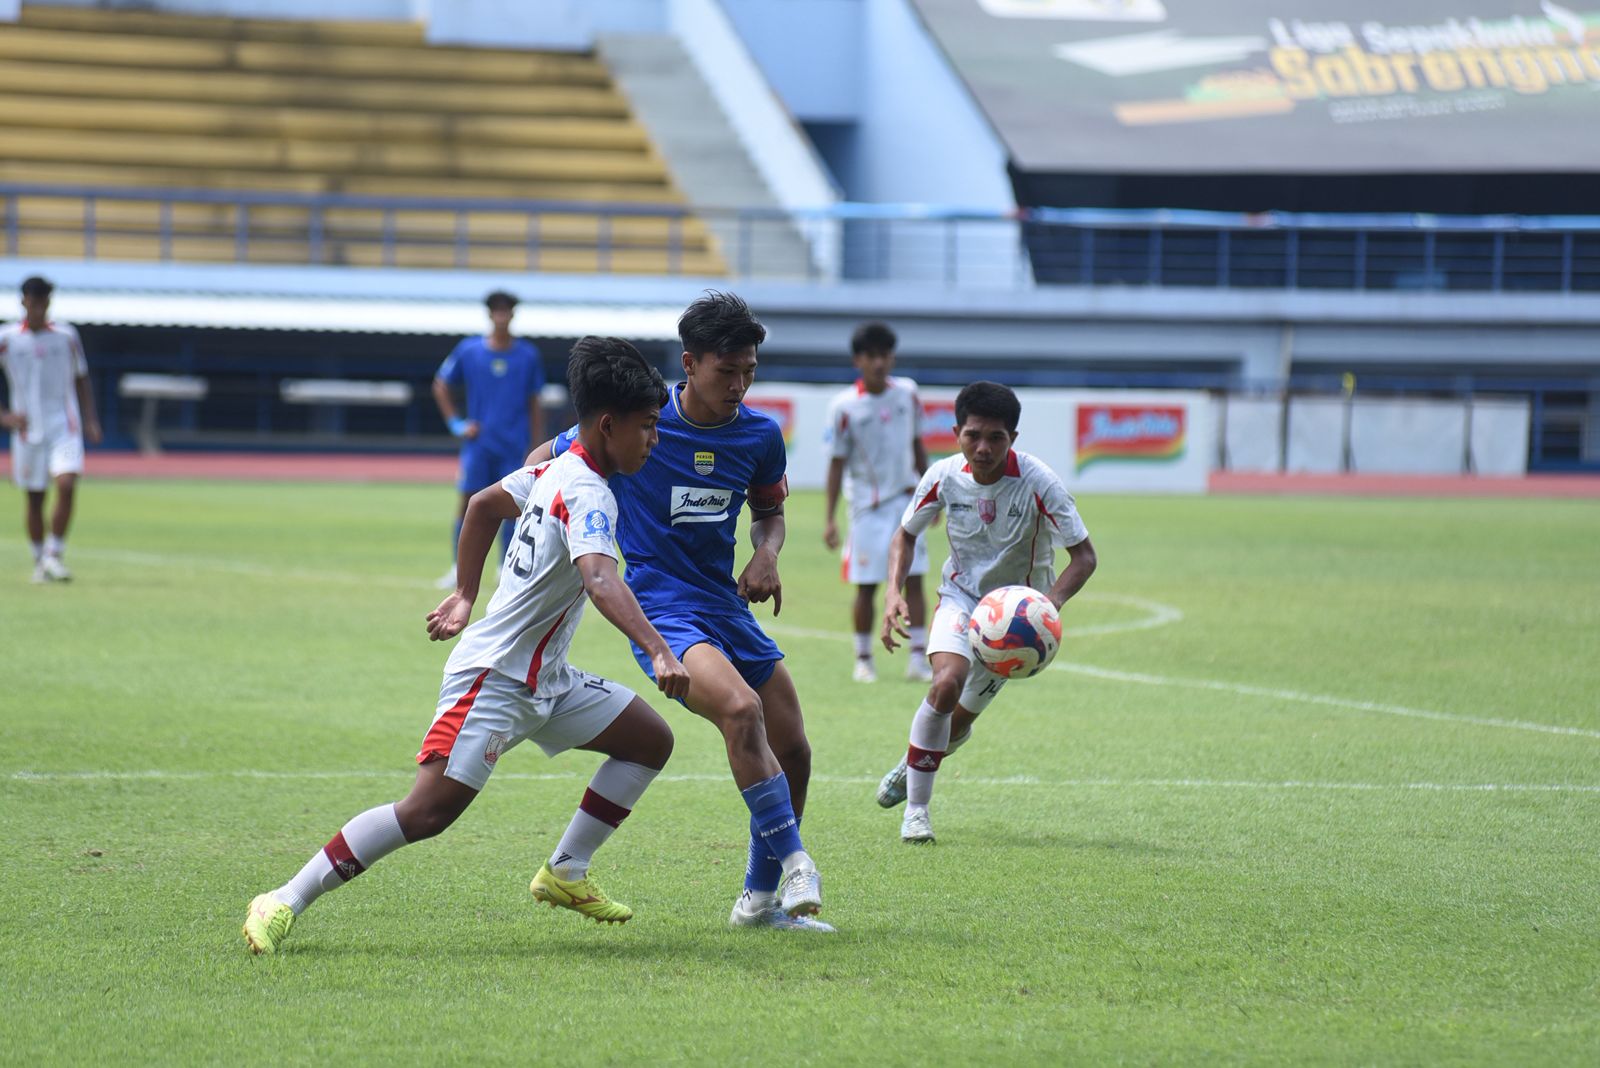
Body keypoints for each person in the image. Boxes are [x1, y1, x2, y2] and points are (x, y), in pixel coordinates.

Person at [243, 337, 690, 955]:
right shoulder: (589, 491)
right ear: (608, 425)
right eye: (647, 427)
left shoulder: (555, 467)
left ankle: (566, 871)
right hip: (495, 678)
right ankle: (282, 899)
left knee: (648, 741)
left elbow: (482, 506)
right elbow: (600, 578)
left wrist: (464, 594)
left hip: (546, 679)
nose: (655, 440)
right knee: (425, 812)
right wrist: (660, 651)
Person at [529, 291, 829, 932]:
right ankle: (798, 863)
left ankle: (758, 903)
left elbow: (770, 513)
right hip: (661, 606)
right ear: (690, 364)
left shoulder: (760, 435)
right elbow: (540, 465)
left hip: (724, 603)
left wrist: (766, 554)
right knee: (740, 711)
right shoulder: (640, 419)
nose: (740, 385)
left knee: (795, 748)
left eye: (750, 371)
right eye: (728, 371)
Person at [876, 381, 1098, 844]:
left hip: (1016, 622)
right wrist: (894, 593)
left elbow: (1084, 557)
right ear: (956, 433)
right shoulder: (942, 476)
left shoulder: (1039, 482)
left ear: (1012, 438)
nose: (983, 448)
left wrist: (1047, 607)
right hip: (960, 599)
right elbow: (905, 535)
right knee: (945, 684)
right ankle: (917, 812)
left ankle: (911, 763)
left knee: (956, 724)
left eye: (996, 438)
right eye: (973, 435)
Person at [823, 321, 932, 684]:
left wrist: (933, 496)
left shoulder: (908, 393)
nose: (879, 363)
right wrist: (830, 518)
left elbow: (917, 445)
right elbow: (836, 464)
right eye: (871, 356)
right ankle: (863, 659)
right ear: (858, 360)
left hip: (908, 503)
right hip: (867, 510)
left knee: (914, 579)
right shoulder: (844, 407)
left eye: (885, 355)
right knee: (867, 586)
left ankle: (918, 659)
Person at [432, 290, 545, 588]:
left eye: (506, 309)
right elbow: (441, 384)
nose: (501, 315)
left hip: (513, 444)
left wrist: (536, 443)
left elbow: (535, 401)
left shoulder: (527, 355)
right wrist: (456, 423)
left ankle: (505, 566)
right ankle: (458, 567)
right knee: (468, 502)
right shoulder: (469, 350)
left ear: (513, 314)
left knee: (514, 504)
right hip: (479, 445)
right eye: (497, 309)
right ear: (490, 314)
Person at [0, 276, 101, 583]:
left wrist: (90, 418)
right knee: (35, 497)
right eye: (33, 303)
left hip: (64, 425)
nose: (38, 309)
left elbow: (81, 377)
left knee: (67, 484)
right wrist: (4, 416)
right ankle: (38, 560)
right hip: (28, 430)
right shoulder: (7, 339)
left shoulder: (66, 336)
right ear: (23, 302)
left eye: (43, 304)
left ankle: (54, 554)